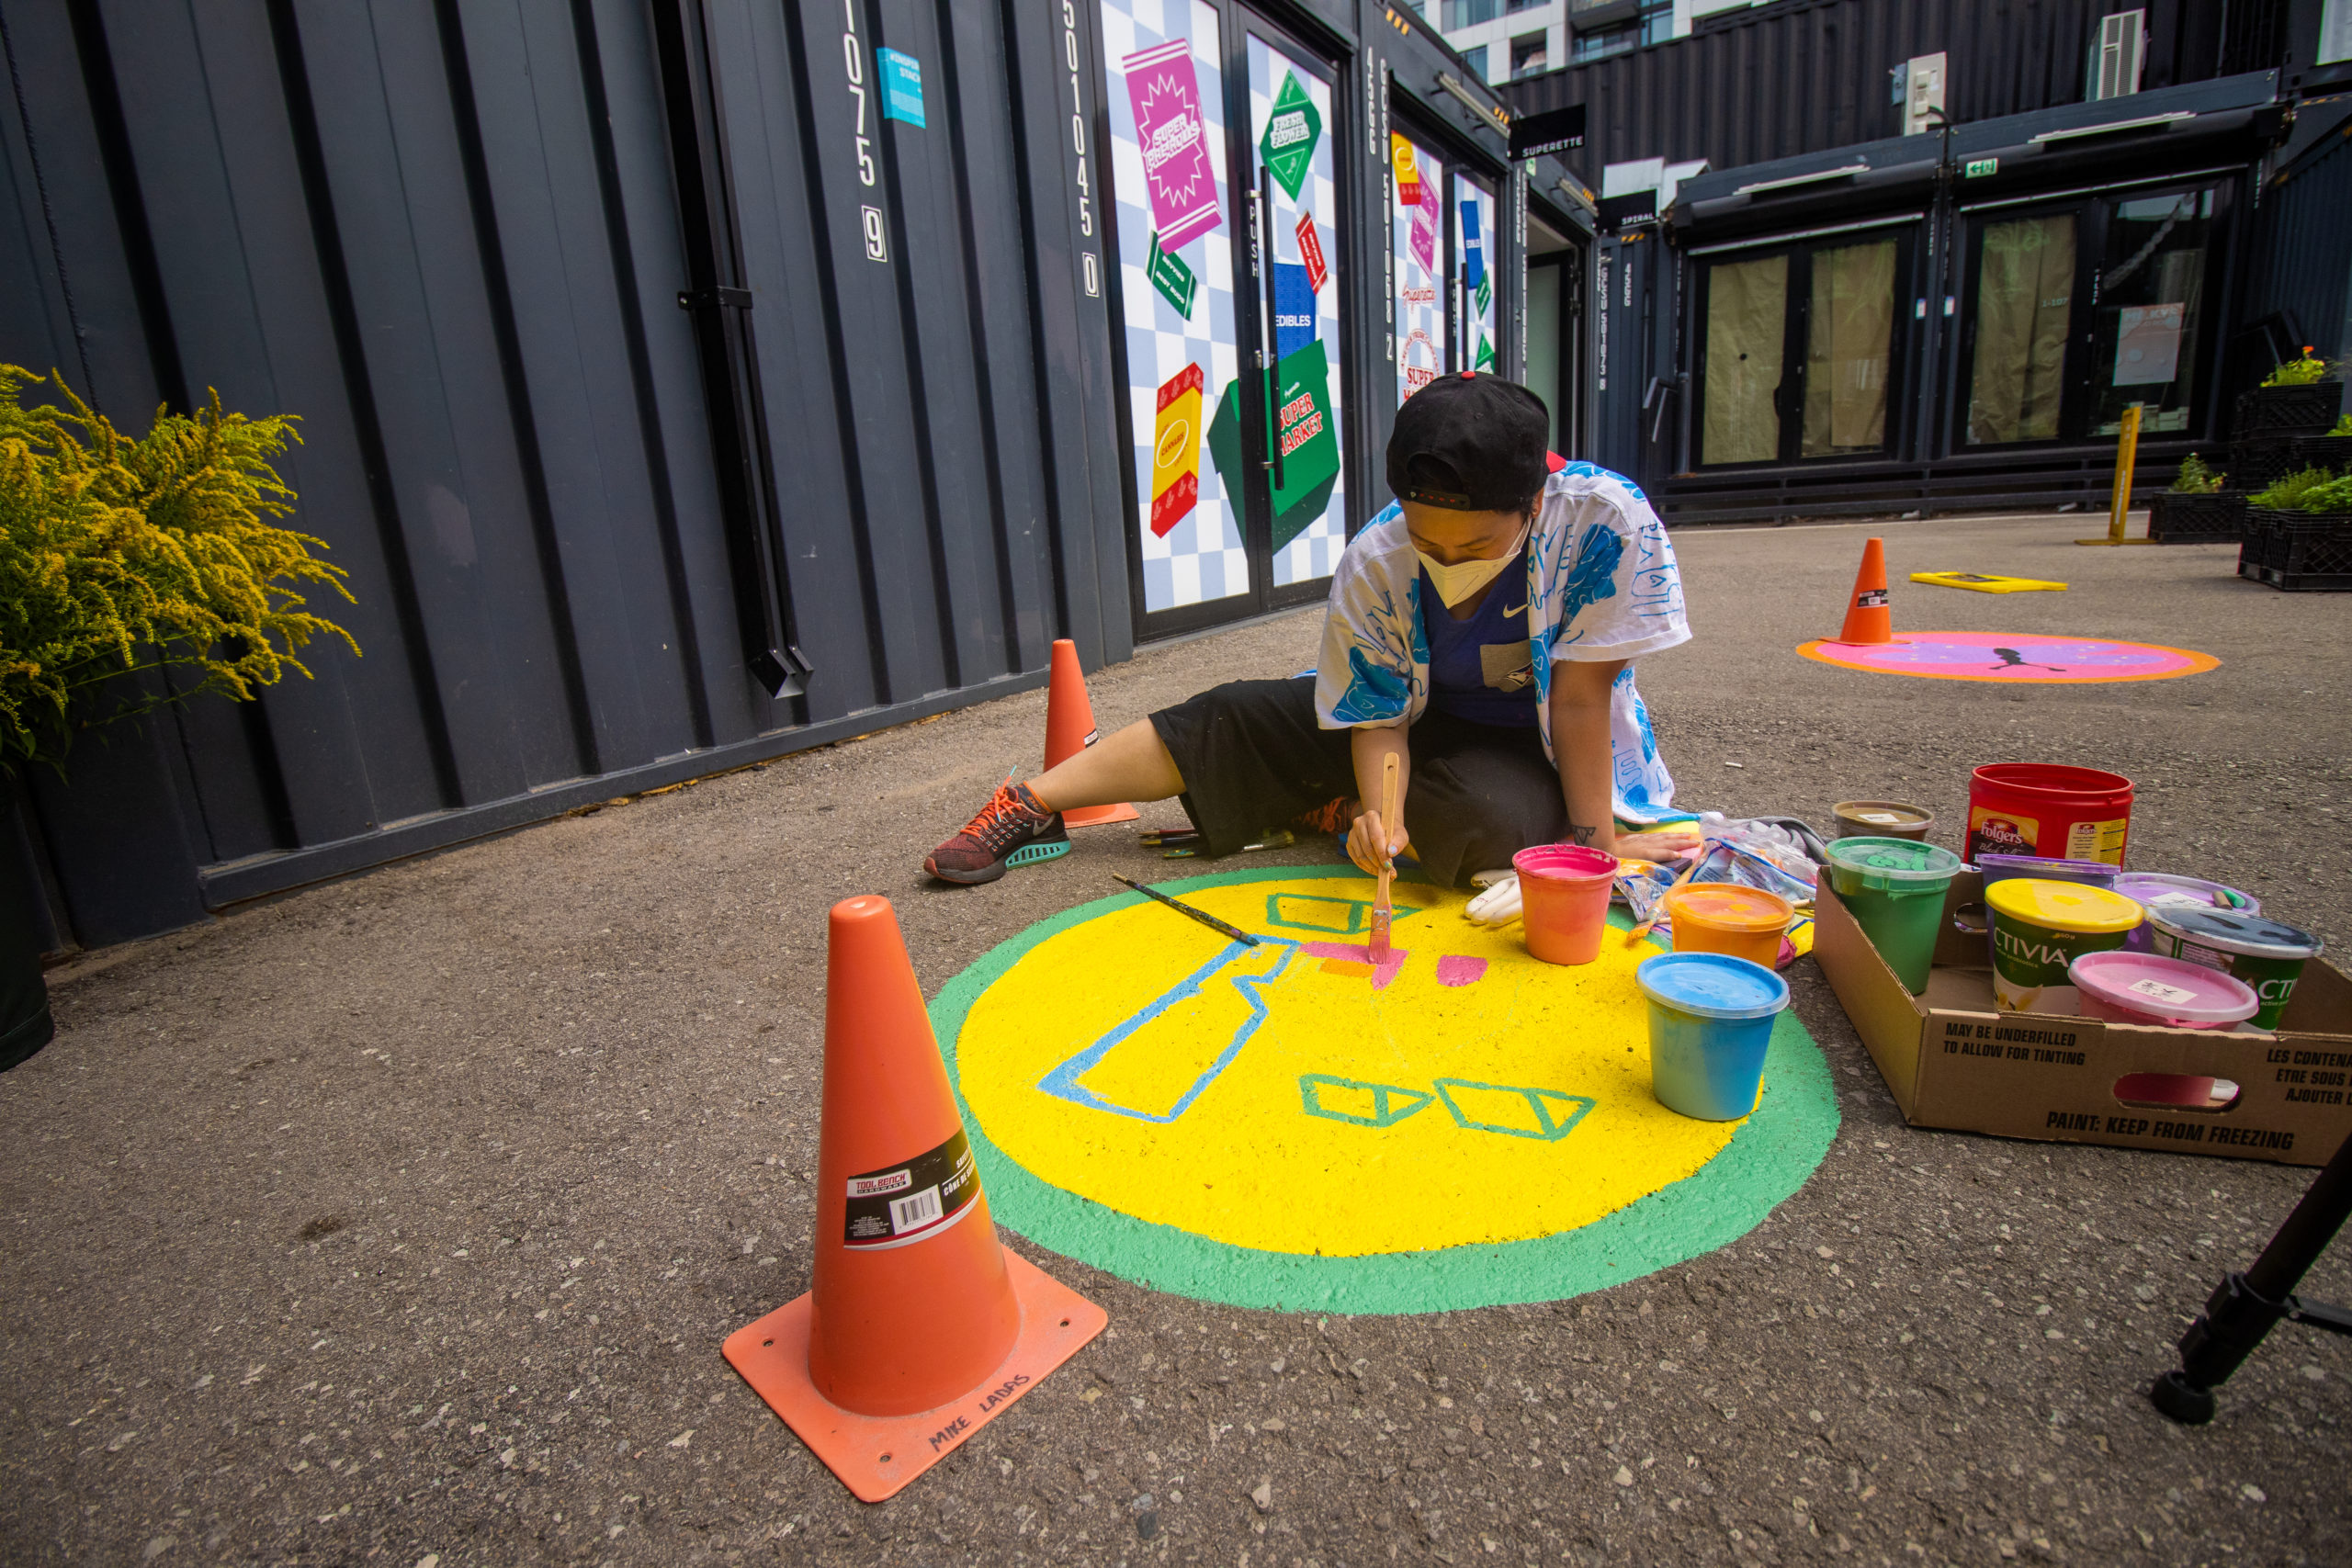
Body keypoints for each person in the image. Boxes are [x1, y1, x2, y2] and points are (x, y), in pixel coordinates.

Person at [923, 371, 1696, 888]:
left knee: (1490, 825)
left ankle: (1339, 809)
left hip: (1530, 742)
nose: (1448, 562)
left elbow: (1583, 700)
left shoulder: (1604, 521)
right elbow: (1378, 716)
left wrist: (1600, 844)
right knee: (1235, 713)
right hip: (1410, 721)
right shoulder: (1377, 555)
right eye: (1429, 544)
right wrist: (1389, 825)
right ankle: (1030, 800)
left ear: (1533, 504)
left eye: (1476, 547)